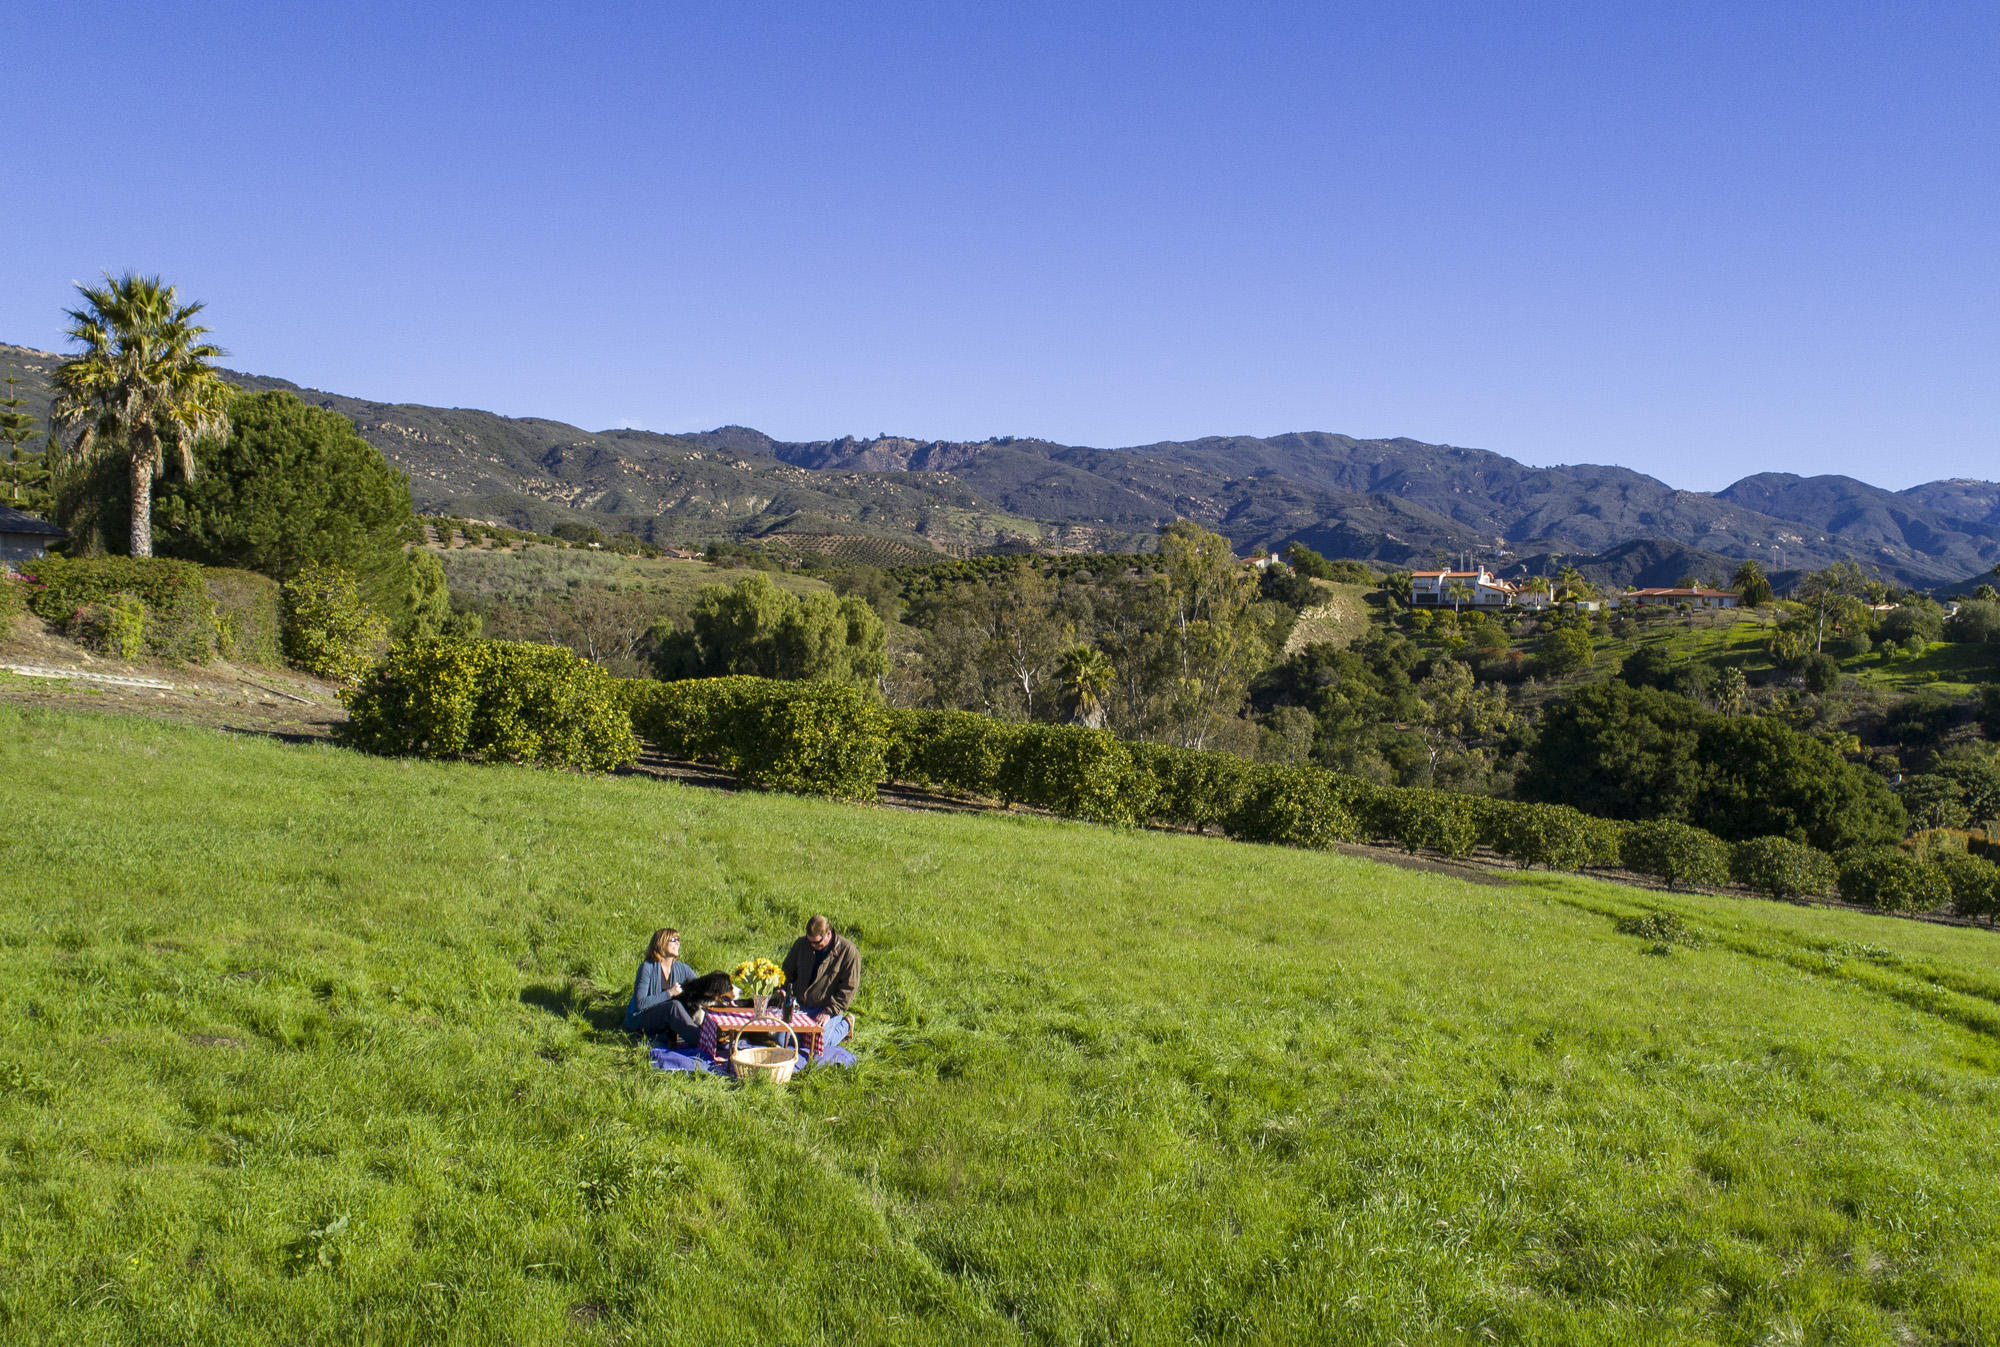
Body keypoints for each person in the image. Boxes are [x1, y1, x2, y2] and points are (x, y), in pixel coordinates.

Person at [779, 914, 861, 1052]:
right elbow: (787, 970)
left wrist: (829, 1011)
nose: (813, 945)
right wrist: (781, 989)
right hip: (799, 1006)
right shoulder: (801, 944)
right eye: (810, 942)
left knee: (818, 1046)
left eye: (817, 942)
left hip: (826, 1008)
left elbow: (849, 989)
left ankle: (846, 1025)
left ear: (828, 934)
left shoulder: (848, 952)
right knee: (782, 1041)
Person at [625, 928, 702, 1048]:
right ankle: (702, 1042)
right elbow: (640, 1003)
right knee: (673, 1007)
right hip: (642, 1019)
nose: (678, 942)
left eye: (678, 940)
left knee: (697, 1007)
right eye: (673, 939)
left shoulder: (683, 969)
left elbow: (700, 989)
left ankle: (717, 1037)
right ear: (660, 943)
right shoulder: (647, 968)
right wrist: (669, 993)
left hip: (666, 1020)